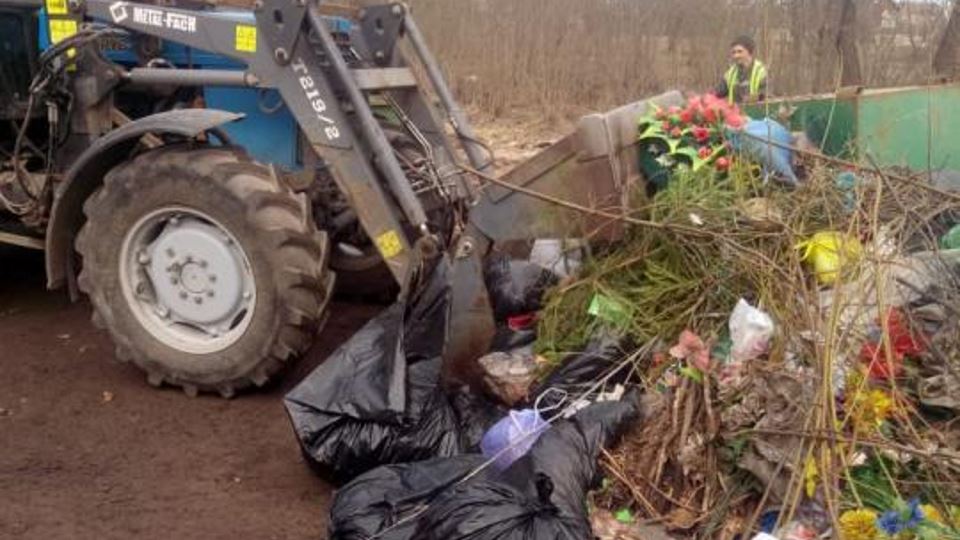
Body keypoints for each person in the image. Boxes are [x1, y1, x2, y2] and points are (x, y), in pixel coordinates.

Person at [714, 35, 768, 105]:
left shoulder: (760, 71)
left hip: (755, 114)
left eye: (740, 52)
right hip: (734, 114)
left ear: (749, 52)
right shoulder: (731, 73)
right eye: (734, 52)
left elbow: (766, 94)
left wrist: (755, 97)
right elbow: (717, 93)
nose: (736, 56)